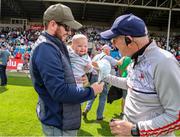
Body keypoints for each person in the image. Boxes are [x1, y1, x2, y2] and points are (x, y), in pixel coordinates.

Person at [29, 3, 104, 136]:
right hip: (58, 123)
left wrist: (81, 79)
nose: (70, 32)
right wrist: (91, 91)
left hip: (62, 120)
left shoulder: (54, 45)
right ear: (53, 24)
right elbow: (60, 91)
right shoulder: (46, 48)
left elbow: (64, 80)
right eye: (67, 27)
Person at [100, 13, 180, 136]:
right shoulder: (136, 58)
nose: (113, 44)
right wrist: (104, 75)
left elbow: (176, 116)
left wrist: (135, 129)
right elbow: (130, 84)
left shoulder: (164, 62)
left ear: (129, 40)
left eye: (114, 40)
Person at [82, 44, 123, 121]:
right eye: (109, 50)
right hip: (102, 78)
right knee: (103, 97)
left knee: (92, 95)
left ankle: (86, 109)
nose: (110, 52)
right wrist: (124, 57)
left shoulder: (96, 56)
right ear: (106, 50)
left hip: (94, 77)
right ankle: (99, 116)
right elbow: (119, 63)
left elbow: (91, 65)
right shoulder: (108, 57)